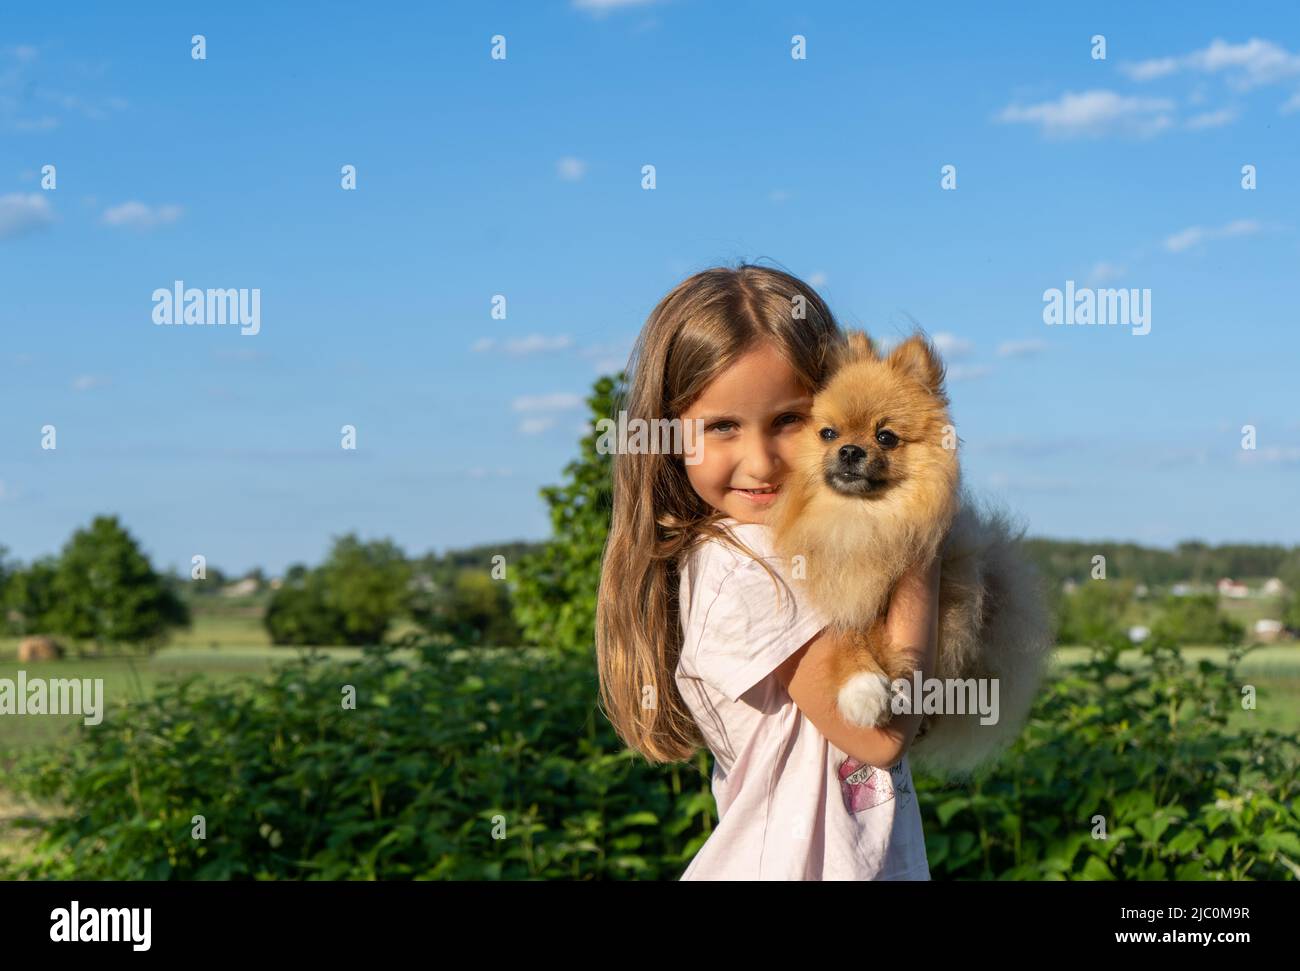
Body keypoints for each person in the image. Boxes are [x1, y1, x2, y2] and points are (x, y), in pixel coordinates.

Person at [595, 263, 940, 880]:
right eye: (721, 426)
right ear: (668, 435)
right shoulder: (750, 568)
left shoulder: (804, 543)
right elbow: (882, 738)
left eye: (789, 421)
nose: (759, 461)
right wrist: (923, 552)